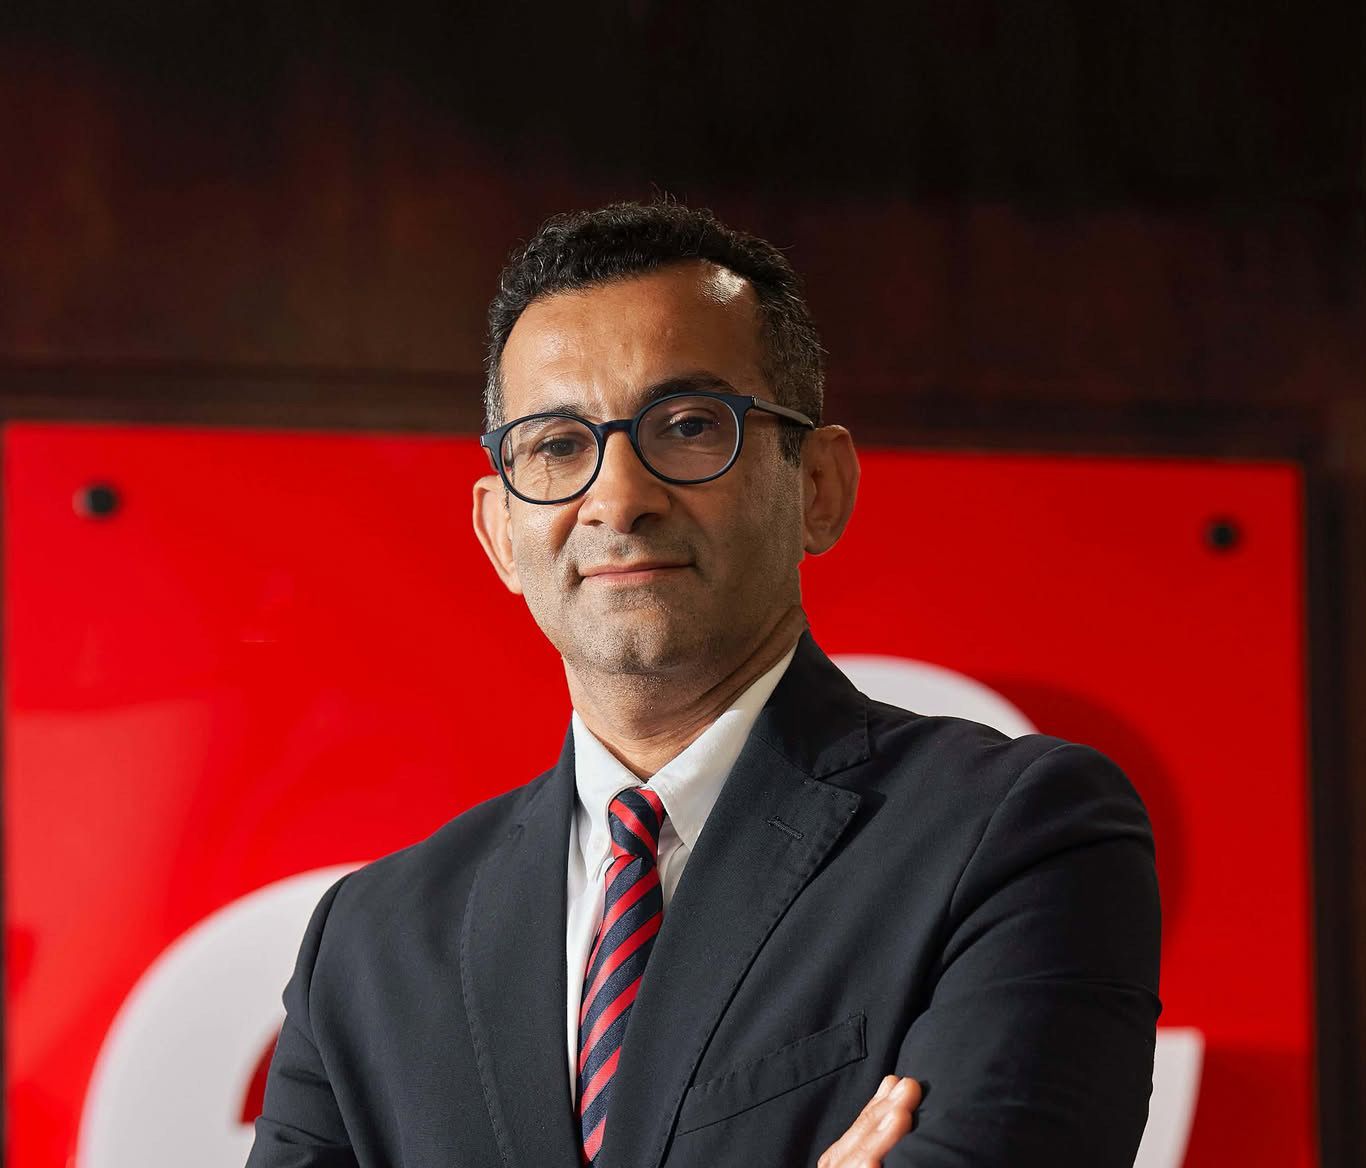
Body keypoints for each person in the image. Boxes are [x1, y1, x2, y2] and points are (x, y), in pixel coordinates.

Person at [246, 201, 1162, 1168]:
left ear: (818, 486)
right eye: (557, 446)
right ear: (500, 533)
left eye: (687, 426)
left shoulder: (1018, 836)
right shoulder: (368, 944)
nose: (617, 498)